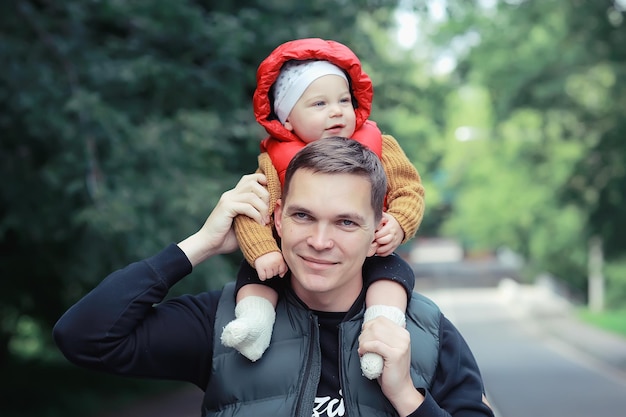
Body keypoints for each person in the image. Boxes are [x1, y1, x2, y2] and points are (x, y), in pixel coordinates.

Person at [53, 137, 494, 417]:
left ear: (377, 227)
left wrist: (406, 398)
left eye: (345, 222)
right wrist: (201, 244)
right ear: (277, 219)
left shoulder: (427, 330)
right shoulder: (226, 321)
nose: (320, 241)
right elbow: (85, 337)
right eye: (304, 216)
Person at [224, 38, 425, 379]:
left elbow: (410, 189)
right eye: (319, 103)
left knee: (393, 275)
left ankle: (381, 328)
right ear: (287, 120)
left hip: (369, 249)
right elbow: (250, 212)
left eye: (344, 100)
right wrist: (263, 252)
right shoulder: (273, 163)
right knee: (253, 275)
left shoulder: (379, 145)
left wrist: (399, 223)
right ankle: (255, 321)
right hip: (288, 257)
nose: (336, 111)